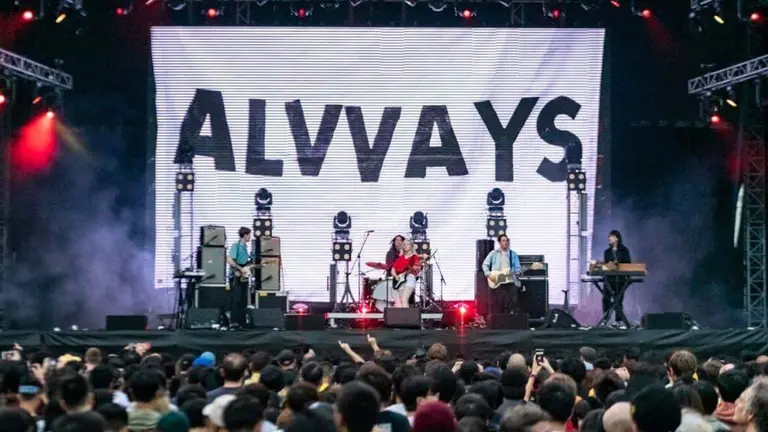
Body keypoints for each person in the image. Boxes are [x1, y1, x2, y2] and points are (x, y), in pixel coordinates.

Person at [481, 234, 522, 314]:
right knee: (499, 303)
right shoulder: (493, 253)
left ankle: (510, 320)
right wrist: (489, 274)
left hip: (510, 281)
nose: (505, 242)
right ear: (499, 242)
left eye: (507, 240)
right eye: (503, 240)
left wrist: (517, 272)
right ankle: (499, 322)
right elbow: (485, 264)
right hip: (498, 282)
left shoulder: (513, 254)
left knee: (513, 302)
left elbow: (518, 268)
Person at [602, 230, 632, 328]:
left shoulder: (624, 250)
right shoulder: (607, 252)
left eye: (610, 236)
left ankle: (618, 321)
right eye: (608, 237)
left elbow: (628, 264)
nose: (608, 239)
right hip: (609, 279)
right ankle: (605, 319)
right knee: (606, 298)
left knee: (618, 300)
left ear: (617, 238)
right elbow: (606, 265)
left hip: (620, 279)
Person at [227, 226, 252, 329]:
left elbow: (245, 263)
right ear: (245, 235)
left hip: (244, 277)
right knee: (236, 299)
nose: (250, 237)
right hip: (236, 276)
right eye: (249, 234)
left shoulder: (245, 248)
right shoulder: (235, 246)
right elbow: (229, 260)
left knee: (243, 300)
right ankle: (234, 322)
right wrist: (239, 269)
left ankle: (242, 322)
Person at [391, 239, 422, 308]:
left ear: (411, 246)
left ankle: (406, 318)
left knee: (404, 299)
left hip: (410, 278)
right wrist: (396, 276)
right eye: (404, 244)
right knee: (399, 302)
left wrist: (416, 268)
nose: (405, 246)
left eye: (407, 244)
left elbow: (417, 269)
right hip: (400, 280)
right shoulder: (400, 258)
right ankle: (401, 318)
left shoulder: (415, 257)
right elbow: (393, 269)